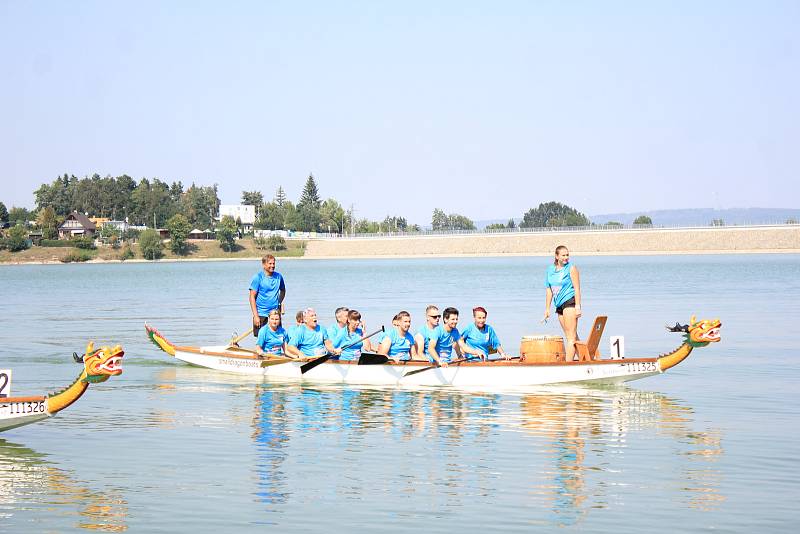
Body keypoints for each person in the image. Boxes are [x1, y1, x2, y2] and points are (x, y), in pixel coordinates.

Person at [543, 245, 582, 361]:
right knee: (571, 335)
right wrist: (547, 309)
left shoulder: (571, 268)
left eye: (567, 255)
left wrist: (578, 306)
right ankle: (585, 359)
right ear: (556, 256)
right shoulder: (550, 270)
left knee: (571, 338)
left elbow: (577, 288)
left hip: (570, 302)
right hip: (559, 305)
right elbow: (549, 290)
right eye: (563, 255)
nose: (566, 257)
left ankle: (567, 364)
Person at [249, 255, 286, 338]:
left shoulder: (279, 277)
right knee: (261, 339)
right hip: (261, 314)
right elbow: (252, 297)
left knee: (277, 338)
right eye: (270, 263)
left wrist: (279, 302)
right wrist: (256, 316)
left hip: (275, 314)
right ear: (264, 265)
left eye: (273, 263)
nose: (272, 266)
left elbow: (283, 290)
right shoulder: (258, 277)